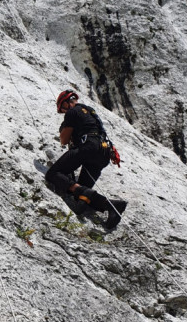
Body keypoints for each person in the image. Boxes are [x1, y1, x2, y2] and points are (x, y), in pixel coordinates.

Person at [45, 90, 127, 229]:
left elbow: (64, 140)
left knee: (52, 174)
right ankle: (112, 206)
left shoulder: (73, 112)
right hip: (104, 152)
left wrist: (64, 129)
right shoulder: (90, 112)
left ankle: (91, 197)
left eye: (63, 108)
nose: (64, 112)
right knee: (81, 195)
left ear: (67, 102)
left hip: (89, 147)